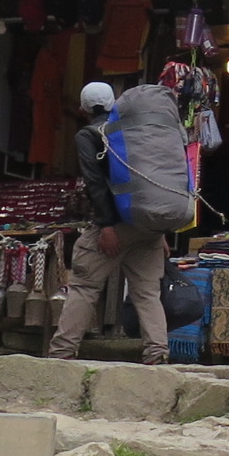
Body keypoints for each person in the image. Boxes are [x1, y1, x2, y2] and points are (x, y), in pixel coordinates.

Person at [49, 80, 189, 365]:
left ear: (83, 108)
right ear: (113, 103)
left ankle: (61, 355)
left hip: (116, 224)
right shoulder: (134, 132)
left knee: (85, 286)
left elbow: (95, 183)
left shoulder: (88, 134)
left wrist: (107, 226)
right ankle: (157, 354)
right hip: (146, 224)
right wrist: (158, 230)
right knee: (147, 292)